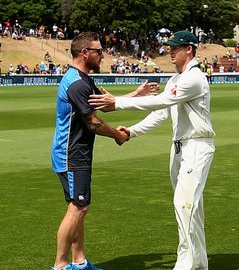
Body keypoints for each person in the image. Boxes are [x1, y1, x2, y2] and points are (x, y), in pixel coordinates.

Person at [89, 31, 215, 270]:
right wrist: (132, 132)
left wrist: (117, 103)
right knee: (191, 208)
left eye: (175, 48)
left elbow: (160, 102)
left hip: (197, 146)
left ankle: (185, 265)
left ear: (189, 49)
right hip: (179, 147)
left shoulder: (195, 77)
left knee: (184, 204)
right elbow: (160, 114)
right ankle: (198, 263)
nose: (170, 52)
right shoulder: (176, 80)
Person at [50, 32, 129, 270]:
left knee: (78, 206)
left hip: (78, 153)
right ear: (84, 53)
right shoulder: (75, 82)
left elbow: (105, 105)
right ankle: (60, 266)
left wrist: (138, 96)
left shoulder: (83, 79)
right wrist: (117, 135)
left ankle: (80, 261)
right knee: (79, 207)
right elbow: (93, 122)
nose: (103, 55)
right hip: (71, 154)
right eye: (99, 51)